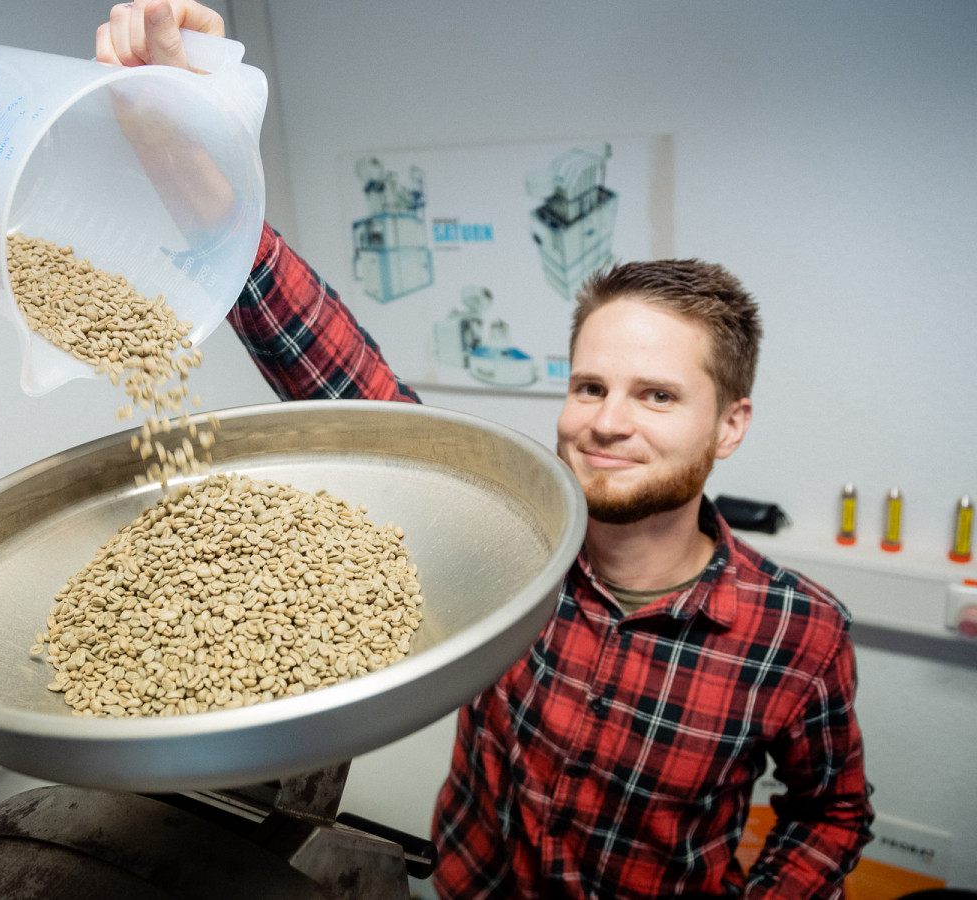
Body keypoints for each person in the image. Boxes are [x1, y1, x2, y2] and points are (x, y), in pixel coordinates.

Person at [95, 4, 875, 897]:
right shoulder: (510, 540)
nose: (608, 421)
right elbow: (352, 388)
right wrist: (186, 169)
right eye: (590, 387)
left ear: (730, 424)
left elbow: (833, 813)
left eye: (657, 395)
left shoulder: (796, 633)